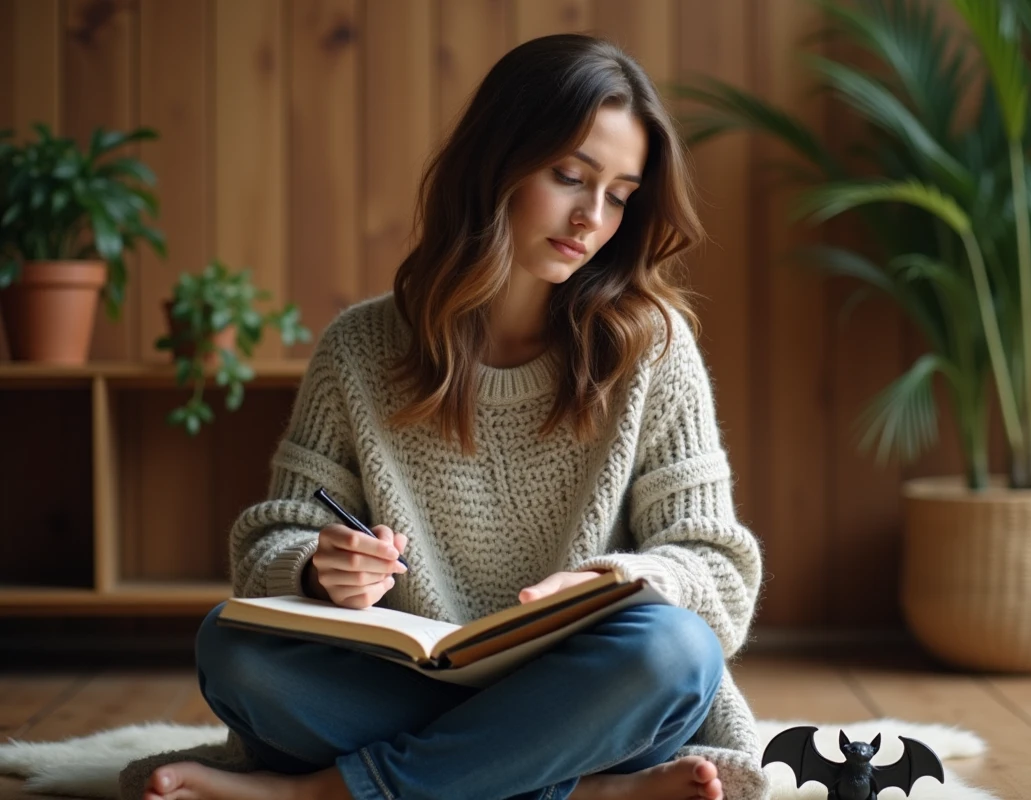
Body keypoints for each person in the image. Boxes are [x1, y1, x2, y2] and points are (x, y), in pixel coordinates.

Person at [127, 32, 766, 800]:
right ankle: (579, 789)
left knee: (672, 652)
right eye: (570, 175)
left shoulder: (651, 347)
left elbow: (718, 571)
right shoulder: (360, 348)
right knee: (232, 649)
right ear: (496, 161)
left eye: (622, 195)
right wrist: (316, 566)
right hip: (410, 693)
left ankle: (322, 794)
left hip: (590, 691)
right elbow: (271, 538)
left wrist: (619, 579)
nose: (593, 217)